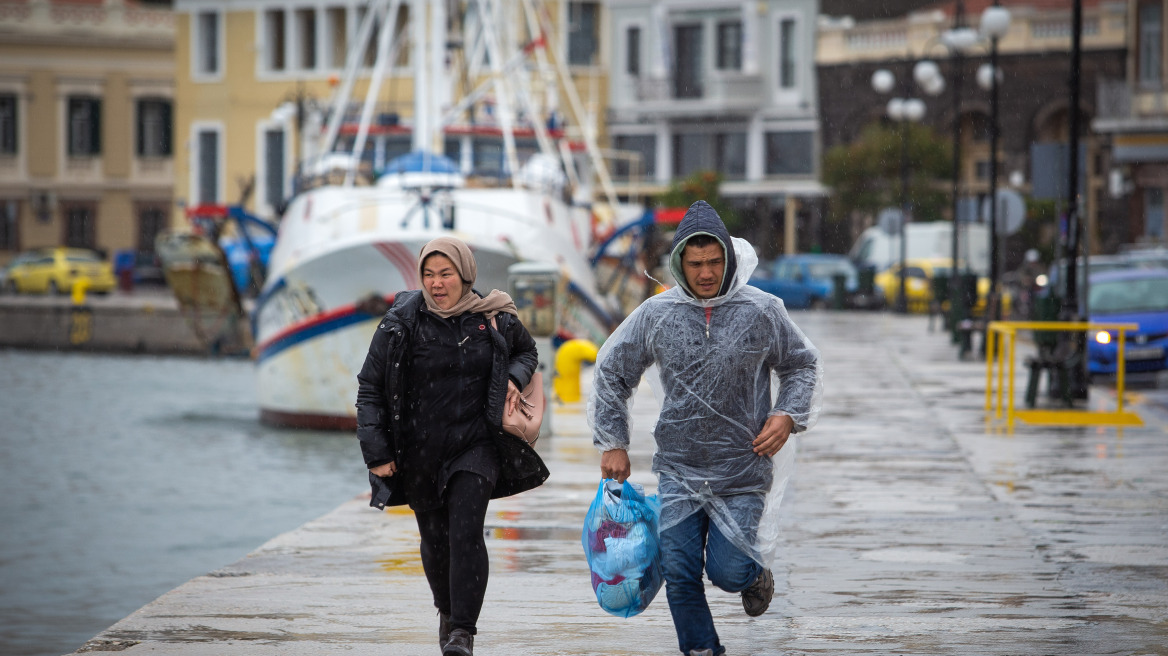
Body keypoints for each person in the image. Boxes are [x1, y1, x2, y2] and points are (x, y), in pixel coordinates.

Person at [588, 201, 823, 656]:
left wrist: (787, 414)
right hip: (679, 468)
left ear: (728, 259)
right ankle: (701, 649)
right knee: (679, 571)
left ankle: (754, 574)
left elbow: (801, 364)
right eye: (695, 264)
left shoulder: (762, 310)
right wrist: (613, 442)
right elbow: (612, 371)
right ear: (679, 263)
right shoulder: (657, 314)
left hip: (743, 469)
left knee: (728, 573)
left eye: (714, 261)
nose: (707, 273)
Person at [355, 236, 549, 656]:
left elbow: (527, 352)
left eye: (446, 274)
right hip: (419, 450)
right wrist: (378, 453)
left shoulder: (493, 317)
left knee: (466, 532)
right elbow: (370, 388)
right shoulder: (400, 323)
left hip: (476, 445)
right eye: (429, 274)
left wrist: (512, 378)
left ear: (465, 275)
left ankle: (462, 631)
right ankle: (446, 610)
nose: (436, 283)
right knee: (435, 540)